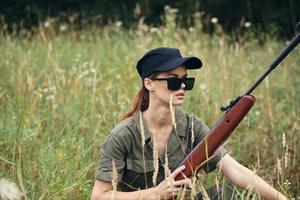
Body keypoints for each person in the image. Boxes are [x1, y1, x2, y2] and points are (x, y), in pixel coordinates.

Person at [91, 47, 287, 200]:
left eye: (186, 80)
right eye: (173, 80)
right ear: (149, 84)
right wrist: (155, 194)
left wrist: (282, 198)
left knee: (255, 189)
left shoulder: (193, 127)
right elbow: (100, 196)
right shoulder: (123, 135)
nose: (183, 85)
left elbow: (235, 169)